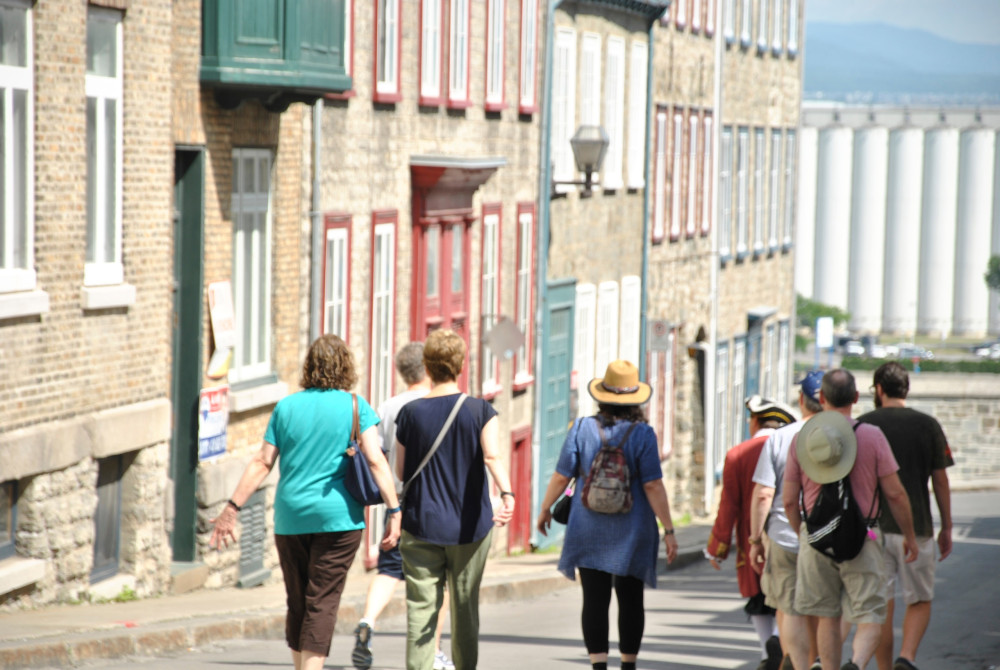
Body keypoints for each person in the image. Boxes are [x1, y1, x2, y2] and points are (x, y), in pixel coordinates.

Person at [209, 334, 401, 670]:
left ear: (310, 367)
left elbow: (262, 462)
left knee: (298, 601)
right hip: (338, 520)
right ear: (345, 367)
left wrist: (232, 508)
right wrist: (394, 510)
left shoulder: (286, 407)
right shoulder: (356, 406)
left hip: (291, 517)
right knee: (322, 602)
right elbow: (376, 462)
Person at [537, 359, 679, 670]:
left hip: (588, 526)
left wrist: (546, 508)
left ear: (602, 395)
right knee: (631, 599)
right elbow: (653, 485)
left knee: (594, 599)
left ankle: (598, 666)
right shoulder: (644, 435)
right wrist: (668, 529)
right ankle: (628, 665)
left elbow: (562, 476)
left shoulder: (582, 428)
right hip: (634, 528)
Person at [394, 328, 515, 670]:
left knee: (421, 613)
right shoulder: (480, 411)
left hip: (420, 525)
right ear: (461, 365)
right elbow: (491, 457)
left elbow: (402, 472)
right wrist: (506, 493)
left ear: (427, 367)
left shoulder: (410, 413)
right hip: (469, 529)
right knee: (464, 610)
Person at [783, 369, 919, 670]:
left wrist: (803, 533)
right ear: (856, 398)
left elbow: (789, 499)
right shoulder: (872, 436)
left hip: (816, 537)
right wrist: (910, 536)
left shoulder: (803, 439)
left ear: (821, 398)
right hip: (865, 537)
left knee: (826, 615)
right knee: (871, 613)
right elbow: (895, 494)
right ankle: (855, 664)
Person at [352, 342, 455, 670]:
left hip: (396, 505)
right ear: (427, 368)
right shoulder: (438, 403)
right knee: (439, 580)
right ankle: (434, 651)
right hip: (434, 504)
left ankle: (368, 620)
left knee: (389, 569)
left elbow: (377, 456)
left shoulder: (388, 406)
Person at [857, 362, 953, 670]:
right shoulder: (928, 425)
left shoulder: (863, 425)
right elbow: (940, 480)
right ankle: (907, 657)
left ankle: (885, 668)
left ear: (879, 390)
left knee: (880, 605)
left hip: (873, 531)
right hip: (919, 527)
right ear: (906, 390)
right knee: (920, 599)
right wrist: (947, 526)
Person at [706, 395, 797, 670]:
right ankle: (783, 645)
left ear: (756, 422)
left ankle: (765, 648)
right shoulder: (793, 447)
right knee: (790, 596)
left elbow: (728, 504)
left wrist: (717, 546)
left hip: (752, 538)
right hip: (790, 532)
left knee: (758, 596)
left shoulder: (738, 454)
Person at [749, 371, 824, 670]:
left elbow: (765, 494)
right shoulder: (845, 436)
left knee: (789, 606)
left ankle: (800, 664)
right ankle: (819, 658)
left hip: (784, 536)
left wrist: (756, 539)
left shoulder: (781, 437)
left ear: (801, 400)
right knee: (824, 605)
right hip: (827, 536)